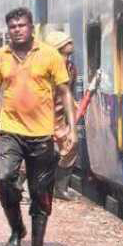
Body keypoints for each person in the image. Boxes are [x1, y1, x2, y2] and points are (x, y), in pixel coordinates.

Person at [0, 7, 76, 246]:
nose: (17, 29)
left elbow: (65, 92)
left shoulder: (49, 55)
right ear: (8, 29)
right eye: (12, 26)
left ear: (31, 27)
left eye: (22, 25)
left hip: (42, 135)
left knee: (41, 193)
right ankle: (16, 229)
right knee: (3, 180)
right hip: (10, 131)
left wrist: (72, 129)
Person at [44, 31, 78, 201]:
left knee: (70, 149)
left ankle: (60, 189)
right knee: (36, 152)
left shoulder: (71, 67)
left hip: (59, 116)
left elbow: (69, 92)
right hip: (42, 115)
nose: (71, 43)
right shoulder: (47, 67)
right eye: (67, 42)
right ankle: (19, 187)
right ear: (58, 46)